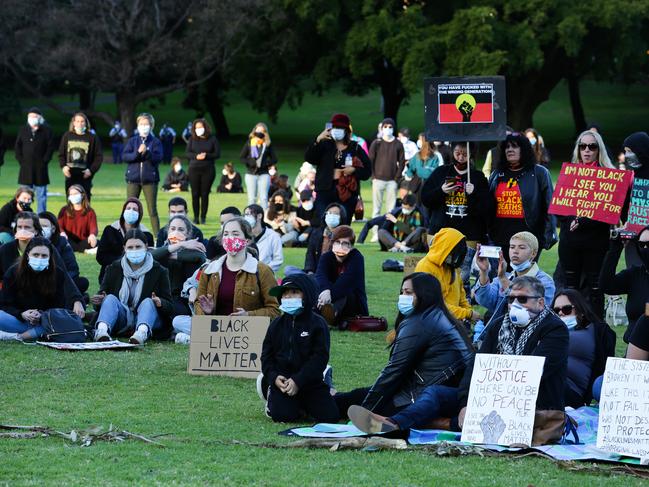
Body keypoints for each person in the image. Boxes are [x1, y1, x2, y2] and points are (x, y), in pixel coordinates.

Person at [336, 273, 474, 426]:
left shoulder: (421, 322)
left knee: (365, 401)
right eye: (402, 292)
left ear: (424, 294)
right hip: (435, 392)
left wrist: (368, 408)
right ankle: (322, 400)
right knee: (356, 396)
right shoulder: (436, 316)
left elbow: (394, 370)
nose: (403, 297)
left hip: (438, 396)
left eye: (408, 292)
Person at [456, 276, 569, 438]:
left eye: (522, 299)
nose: (515, 304)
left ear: (541, 303)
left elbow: (537, 373)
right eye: (511, 299)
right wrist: (465, 403)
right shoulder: (498, 326)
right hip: (494, 401)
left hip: (537, 406)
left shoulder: (556, 329)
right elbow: (476, 366)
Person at [260, 273, 339, 423]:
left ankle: (325, 387)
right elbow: (266, 356)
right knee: (283, 416)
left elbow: (320, 357)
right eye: (285, 294)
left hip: (309, 380)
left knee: (330, 416)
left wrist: (298, 380)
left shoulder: (318, 324)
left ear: (306, 294)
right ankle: (269, 389)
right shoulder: (276, 325)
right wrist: (274, 377)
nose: (289, 297)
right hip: (283, 381)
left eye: (295, 292)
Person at [558, 130, 620, 318]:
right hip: (570, 242)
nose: (586, 150)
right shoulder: (569, 173)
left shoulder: (609, 175)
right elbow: (559, 207)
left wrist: (582, 221)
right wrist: (571, 221)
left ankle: (596, 331)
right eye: (582, 146)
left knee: (595, 290)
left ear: (598, 149)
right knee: (570, 290)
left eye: (591, 146)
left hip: (595, 243)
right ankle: (570, 328)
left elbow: (609, 212)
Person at [421, 141, 492, 294]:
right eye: (457, 153)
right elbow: (425, 199)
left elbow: (486, 208)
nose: (461, 157)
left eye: (465, 154)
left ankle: (461, 303)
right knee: (437, 270)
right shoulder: (441, 172)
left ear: (471, 154)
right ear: (452, 152)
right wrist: (441, 191)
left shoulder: (477, 177)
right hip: (440, 230)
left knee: (462, 273)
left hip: (468, 234)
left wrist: (473, 194)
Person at [92, 229, 172, 345]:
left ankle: (141, 333)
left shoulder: (159, 271)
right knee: (109, 298)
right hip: (122, 318)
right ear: (124, 248)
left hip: (149, 317)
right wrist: (99, 301)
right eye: (130, 247)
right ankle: (102, 331)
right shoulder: (114, 268)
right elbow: (100, 301)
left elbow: (170, 307)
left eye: (138, 246)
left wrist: (160, 302)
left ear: (146, 246)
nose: (134, 250)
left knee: (148, 302)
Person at [488, 132, 557, 263]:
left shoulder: (539, 173)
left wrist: (547, 236)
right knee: (499, 278)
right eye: (507, 147)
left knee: (523, 280)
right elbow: (488, 206)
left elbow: (550, 206)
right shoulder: (496, 174)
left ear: (524, 149)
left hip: (528, 238)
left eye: (514, 146)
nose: (510, 150)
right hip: (499, 238)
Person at [474, 232, 556, 341]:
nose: (515, 251)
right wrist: (484, 271)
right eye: (512, 247)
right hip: (498, 335)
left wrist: (503, 279)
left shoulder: (544, 281)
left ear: (533, 253)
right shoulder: (506, 276)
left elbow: (537, 311)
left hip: (528, 337)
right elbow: (484, 300)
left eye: (521, 248)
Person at [193, 217, 280, 319]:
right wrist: (207, 312)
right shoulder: (209, 270)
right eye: (226, 234)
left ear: (247, 240)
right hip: (216, 331)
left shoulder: (262, 271)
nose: (230, 238)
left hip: (248, 332)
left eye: (235, 234)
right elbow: (198, 303)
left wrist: (248, 315)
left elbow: (275, 310)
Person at [0, 238, 85, 342]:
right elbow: (5, 304)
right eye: (35, 255)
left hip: (45, 321)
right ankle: (32, 334)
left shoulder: (58, 274)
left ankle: (18, 336)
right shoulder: (13, 272)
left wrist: (41, 315)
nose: (39, 258)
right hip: (18, 319)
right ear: (27, 255)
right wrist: (22, 314)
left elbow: (58, 307)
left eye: (44, 256)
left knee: (58, 323)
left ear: (50, 257)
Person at [551, 289, 616, 408]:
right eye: (556, 310)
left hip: (571, 390)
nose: (561, 313)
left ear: (580, 309)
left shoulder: (594, 330)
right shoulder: (549, 330)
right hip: (551, 382)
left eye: (566, 309)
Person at [305, 114, 371, 221]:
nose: (337, 130)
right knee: (324, 223)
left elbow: (367, 171)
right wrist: (318, 139)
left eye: (340, 128)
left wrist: (354, 170)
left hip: (347, 194)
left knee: (343, 227)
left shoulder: (355, 148)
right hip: (324, 192)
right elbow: (309, 158)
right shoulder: (324, 145)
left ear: (346, 130)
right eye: (335, 128)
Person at [414, 227, 478, 322]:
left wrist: (470, 313)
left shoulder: (453, 269)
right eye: (454, 253)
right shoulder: (425, 267)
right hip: (430, 321)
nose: (456, 257)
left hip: (452, 321)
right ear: (444, 248)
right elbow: (434, 305)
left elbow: (462, 299)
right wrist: (467, 314)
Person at [600, 225, 649, 342]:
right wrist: (615, 248)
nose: (645, 248)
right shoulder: (635, 274)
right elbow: (606, 285)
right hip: (633, 349)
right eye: (642, 245)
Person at [150, 215, 206, 318]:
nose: (176, 232)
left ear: (188, 233)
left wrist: (173, 255)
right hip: (161, 298)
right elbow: (151, 256)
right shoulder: (162, 250)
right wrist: (180, 245)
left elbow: (199, 257)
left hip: (183, 300)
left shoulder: (193, 250)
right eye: (173, 229)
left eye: (181, 229)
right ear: (168, 231)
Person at [315, 225, 368, 327]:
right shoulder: (326, 257)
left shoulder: (357, 258)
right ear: (332, 243)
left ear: (351, 246)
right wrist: (325, 290)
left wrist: (328, 295)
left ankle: (327, 317)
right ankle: (326, 316)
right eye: (337, 242)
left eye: (345, 243)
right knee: (313, 280)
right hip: (328, 298)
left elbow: (346, 282)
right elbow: (320, 275)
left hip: (353, 303)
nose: (341, 246)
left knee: (345, 292)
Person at [96, 198, 154, 284]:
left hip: (138, 277)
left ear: (139, 214)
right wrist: (122, 262)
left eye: (135, 209)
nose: (131, 211)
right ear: (123, 211)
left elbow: (150, 259)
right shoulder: (110, 230)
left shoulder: (146, 235)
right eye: (128, 208)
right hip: (112, 274)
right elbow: (101, 257)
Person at [123, 113, 163, 234]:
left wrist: (147, 152)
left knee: (152, 210)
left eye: (146, 124)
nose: (144, 126)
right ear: (137, 125)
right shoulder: (132, 141)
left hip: (150, 180)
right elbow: (125, 156)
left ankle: (157, 237)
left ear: (151, 126)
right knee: (130, 210)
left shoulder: (155, 142)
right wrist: (137, 153)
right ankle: (129, 233)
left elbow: (158, 158)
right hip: (133, 179)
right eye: (141, 124)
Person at [369, 118, 406, 240]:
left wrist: (397, 178)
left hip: (392, 181)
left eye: (390, 127)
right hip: (378, 180)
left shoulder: (398, 144)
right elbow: (371, 160)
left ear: (393, 128)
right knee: (376, 208)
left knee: (391, 210)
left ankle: (387, 232)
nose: (388, 129)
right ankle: (375, 233)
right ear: (382, 128)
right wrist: (373, 176)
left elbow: (401, 162)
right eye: (385, 127)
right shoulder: (377, 143)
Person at [14, 107, 56, 213]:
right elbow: (18, 146)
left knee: (41, 196)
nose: (32, 118)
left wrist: (45, 160)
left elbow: (51, 147)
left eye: (35, 116)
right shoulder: (23, 129)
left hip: (40, 168)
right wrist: (21, 161)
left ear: (40, 118)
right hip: (26, 168)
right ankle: (23, 215)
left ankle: (41, 216)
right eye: (30, 116)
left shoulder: (47, 130)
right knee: (24, 194)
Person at [38, 211, 89, 295]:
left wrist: (59, 280)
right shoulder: (32, 243)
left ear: (53, 228)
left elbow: (73, 269)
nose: (41, 229)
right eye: (39, 226)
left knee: (82, 282)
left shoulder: (62, 242)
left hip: (60, 280)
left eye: (44, 226)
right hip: (38, 280)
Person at [58, 112, 103, 199]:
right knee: (71, 201)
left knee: (85, 201)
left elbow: (98, 157)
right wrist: (63, 167)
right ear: (73, 123)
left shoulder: (92, 138)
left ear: (86, 123)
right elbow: (61, 154)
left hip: (85, 175)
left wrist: (91, 170)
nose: (80, 124)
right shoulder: (67, 136)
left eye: (82, 121)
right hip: (70, 174)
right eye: (77, 121)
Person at [621, 131, 649, 268]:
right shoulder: (630, 176)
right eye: (625, 151)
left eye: (630, 151)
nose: (627, 155)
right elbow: (624, 207)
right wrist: (626, 224)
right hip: (632, 240)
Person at [186, 118, 220, 224]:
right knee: (195, 194)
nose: (198, 129)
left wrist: (206, 155)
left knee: (204, 194)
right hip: (194, 169)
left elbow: (217, 154)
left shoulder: (212, 139)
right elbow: (187, 153)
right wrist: (196, 156)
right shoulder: (192, 139)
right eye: (196, 128)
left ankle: (203, 217)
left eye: (200, 127)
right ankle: (196, 217)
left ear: (205, 127)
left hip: (208, 169)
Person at [241, 123, 277, 209]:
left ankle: (264, 218)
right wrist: (249, 162)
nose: (260, 132)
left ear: (265, 132)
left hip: (264, 174)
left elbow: (274, 159)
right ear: (254, 131)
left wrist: (266, 163)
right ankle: (250, 218)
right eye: (258, 130)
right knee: (251, 198)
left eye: (262, 131)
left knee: (264, 198)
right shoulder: (250, 142)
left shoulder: (267, 144)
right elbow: (242, 157)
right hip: (250, 174)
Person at [304, 203, 345, 274]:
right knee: (289, 269)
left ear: (341, 217)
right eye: (329, 213)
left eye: (335, 213)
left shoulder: (344, 235)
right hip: (315, 271)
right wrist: (310, 271)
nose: (331, 215)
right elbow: (310, 254)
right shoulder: (317, 233)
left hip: (333, 273)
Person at [403, 134, 443, 205]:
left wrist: (414, 172)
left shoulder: (435, 155)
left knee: (420, 207)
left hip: (422, 185)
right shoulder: (419, 155)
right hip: (424, 185)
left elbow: (410, 171)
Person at [57, 185, 98, 253]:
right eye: (71, 194)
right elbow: (59, 226)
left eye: (75, 194)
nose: (73, 196)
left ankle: (79, 248)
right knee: (62, 241)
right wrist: (62, 233)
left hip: (84, 240)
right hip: (68, 239)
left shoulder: (90, 211)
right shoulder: (64, 210)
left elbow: (93, 227)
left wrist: (92, 235)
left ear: (82, 195)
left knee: (98, 242)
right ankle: (85, 250)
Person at [244, 204, 283, 272]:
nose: (246, 217)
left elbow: (278, 260)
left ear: (259, 216)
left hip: (266, 276)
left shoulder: (273, 236)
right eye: (245, 215)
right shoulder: (244, 236)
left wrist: (262, 270)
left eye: (249, 214)